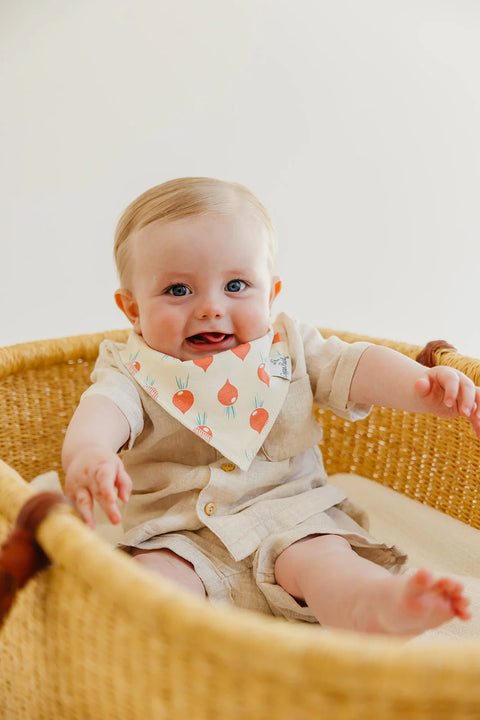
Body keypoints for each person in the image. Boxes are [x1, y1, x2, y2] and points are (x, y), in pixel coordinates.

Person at [63, 177, 476, 635]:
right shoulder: (131, 367)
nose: (210, 308)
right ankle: (166, 649)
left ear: (271, 293)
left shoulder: (288, 345)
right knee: (147, 587)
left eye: (236, 284)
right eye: (179, 291)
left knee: (328, 565)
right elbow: (103, 409)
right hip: (177, 535)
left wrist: (420, 386)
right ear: (132, 309)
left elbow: (353, 366)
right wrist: (90, 454)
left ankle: (369, 606)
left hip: (293, 518)